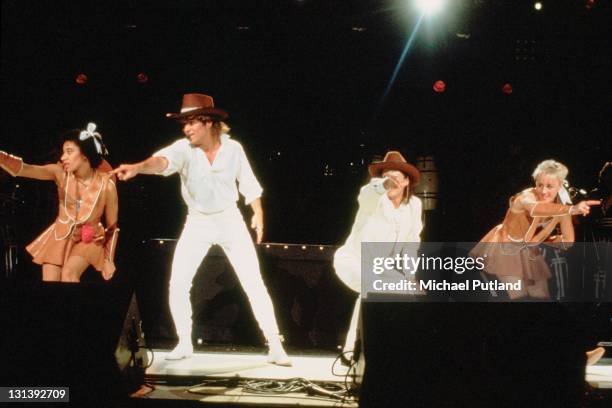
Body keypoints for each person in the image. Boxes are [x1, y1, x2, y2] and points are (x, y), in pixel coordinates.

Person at [112, 93, 291, 365]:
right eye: (184, 123)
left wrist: (258, 213)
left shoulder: (234, 149)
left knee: (253, 282)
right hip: (197, 221)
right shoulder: (183, 149)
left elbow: (250, 184)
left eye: (191, 122)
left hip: (230, 220)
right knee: (179, 283)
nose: (186, 129)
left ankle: (275, 345)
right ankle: (184, 342)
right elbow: (160, 163)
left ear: (208, 122)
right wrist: (137, 168)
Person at [0, 122, 119, 282]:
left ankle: (73, 307)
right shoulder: (60, 173)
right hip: (61, 234)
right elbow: (25, 169)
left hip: (89, 237)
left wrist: (108, 259)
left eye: (69, 152)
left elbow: (112, 228)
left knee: (69, 274)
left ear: (84, 154)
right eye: (63, 152)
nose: (63, 157)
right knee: (50, 280)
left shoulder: (107, 185)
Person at [334, 151, 423, 361]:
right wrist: (383, 185)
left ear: (406, 181)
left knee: (411, 293)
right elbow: (367, 194)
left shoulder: (414, 206)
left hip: (381, 269)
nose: (390, 179)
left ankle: (394, 352)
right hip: (352, 261)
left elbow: (412, 244)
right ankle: (352, 350)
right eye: (385, 175)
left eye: (395, 176)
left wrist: (410, 276)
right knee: (373, 287)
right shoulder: (372, 199)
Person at [471, 159, 600, 300]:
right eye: (540, 185)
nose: (543, 191)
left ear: (560, 185)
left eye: (550, 186)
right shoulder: (525, 197)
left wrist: (545, 240)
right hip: (506, 248)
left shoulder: (561, 207)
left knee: (541, 299)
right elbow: (535, 209)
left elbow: (567, 241)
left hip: (529, 251)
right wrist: (572, 209)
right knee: (519, 299)